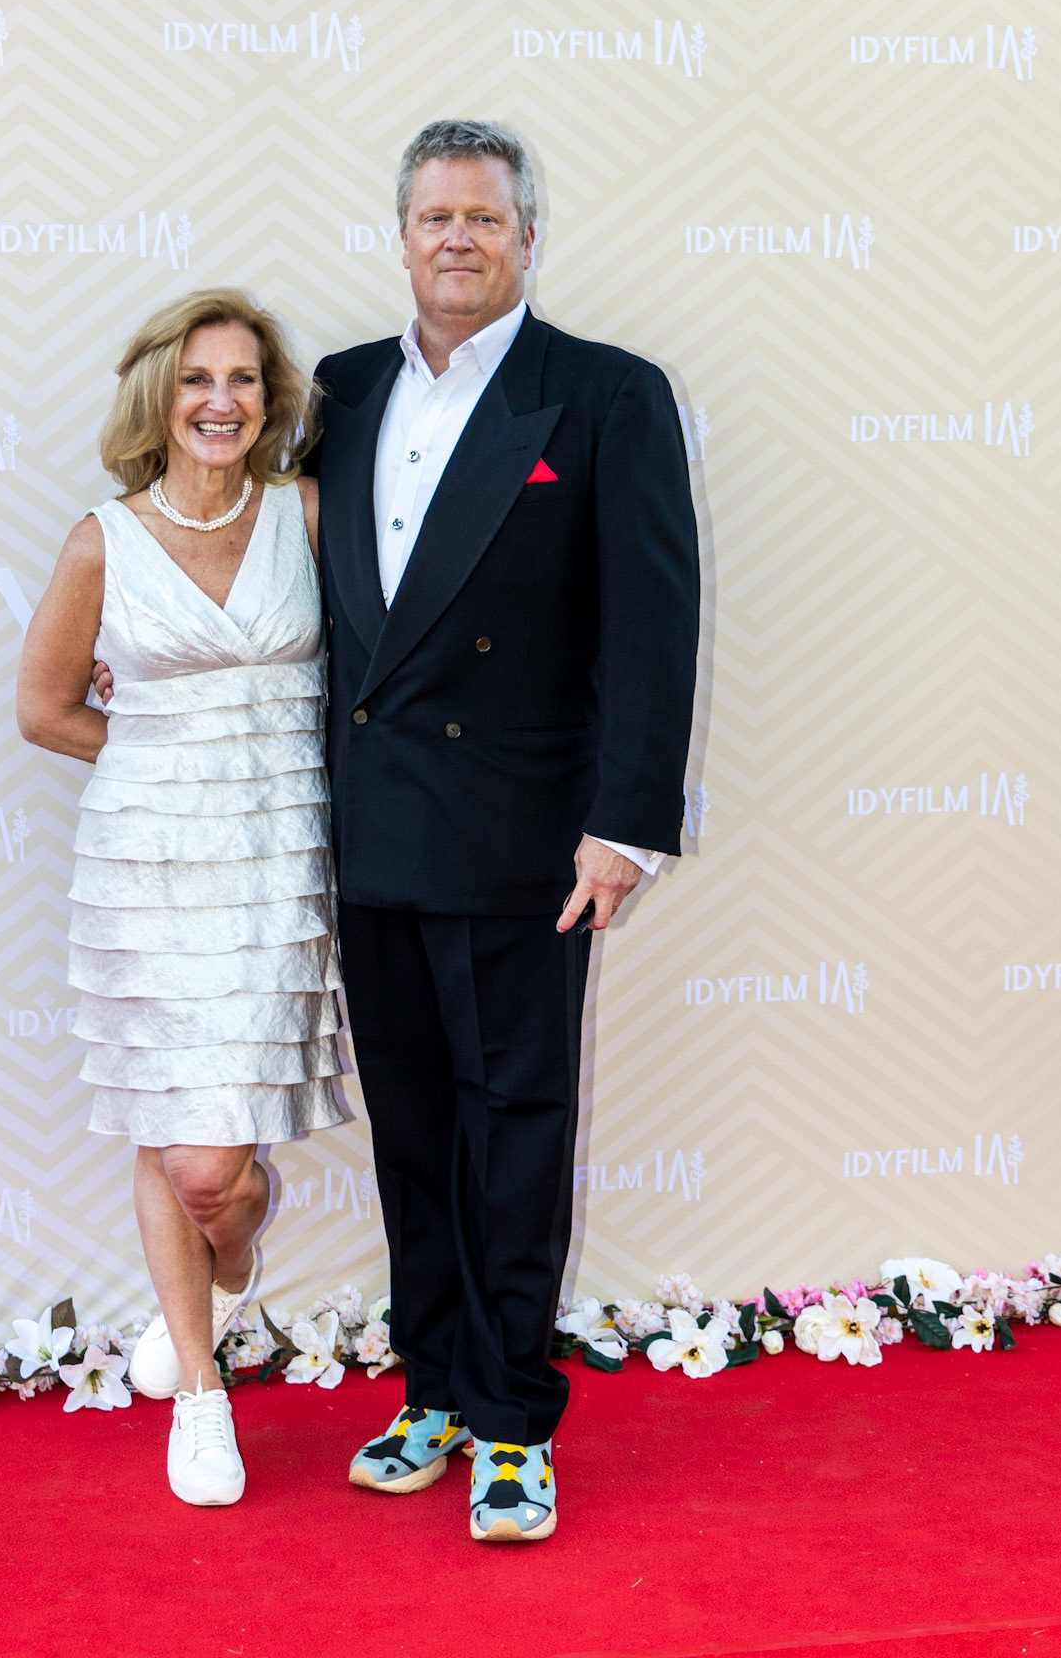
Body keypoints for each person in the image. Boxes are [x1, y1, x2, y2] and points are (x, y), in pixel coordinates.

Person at [311, 118, 699, 1542]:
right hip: (372, 829)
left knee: (516, 1133)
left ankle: (515, 1419)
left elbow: (654, 620)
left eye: (485, 217)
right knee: (414, 1131)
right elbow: (292, 580)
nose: (459, 239)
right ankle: (433, 1387)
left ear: (529, 237)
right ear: (402, 237)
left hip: (527, 837)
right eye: (436, 217)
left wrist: (626, 827)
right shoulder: (341, 388)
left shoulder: (603, 392)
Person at [18, 291, 343, 1510]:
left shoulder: (307, 514)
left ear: (270, 400)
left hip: (281, 864)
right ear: (159, 397)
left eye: (244, 379)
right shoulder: (101, 541)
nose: (221, 400)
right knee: (177, 1137)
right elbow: (45, 708)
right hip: (148, 868)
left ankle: (230, 1264)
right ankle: (202, 1395)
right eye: (198, 378)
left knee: (222, 1173)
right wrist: (169, 763)